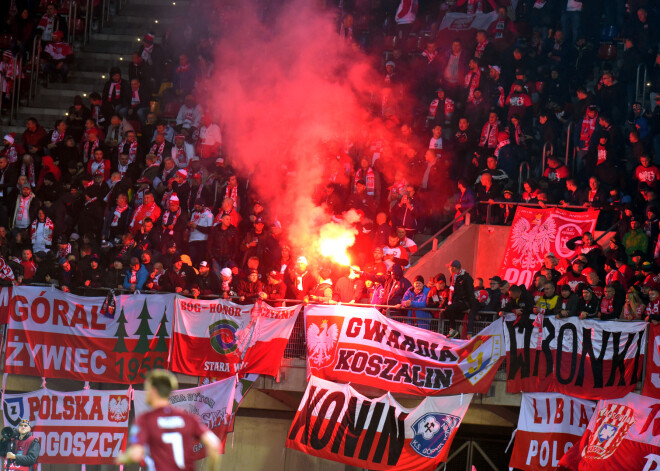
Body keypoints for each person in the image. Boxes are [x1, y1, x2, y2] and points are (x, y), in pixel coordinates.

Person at [117, 369, 220, 470]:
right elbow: (214, 444)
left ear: (154, 391)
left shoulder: (146, 420)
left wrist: (122, 457)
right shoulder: (188, 418)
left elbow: (136, 454)